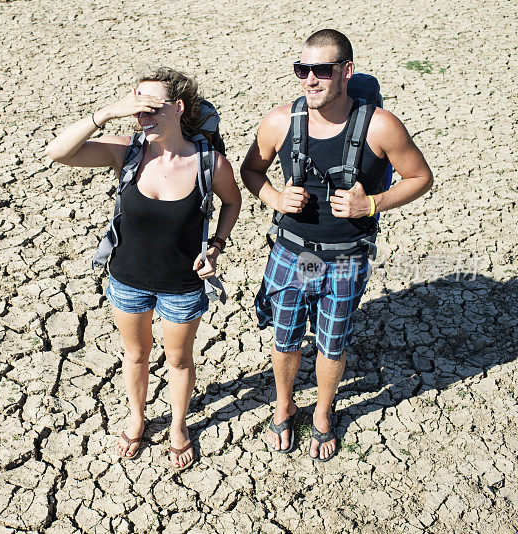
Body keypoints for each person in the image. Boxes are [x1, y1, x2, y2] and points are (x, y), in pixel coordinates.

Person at [240, 29, 432, 461]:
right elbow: (251, 171)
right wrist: (274, 197)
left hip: (345, 259)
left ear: (345, 71)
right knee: (286, 338)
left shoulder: (380, 126)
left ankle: (324, 413)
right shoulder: (279, 122)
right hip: (293, 254)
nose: (309, 79)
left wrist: (372, 204)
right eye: (301, 69)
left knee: (332, 341)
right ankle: (285, 403)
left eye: (321, 70)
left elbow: (421, 178)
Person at [46, 68, 241, 470]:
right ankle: (137, 418)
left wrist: (216, 246)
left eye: (150, 106)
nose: (141, 116)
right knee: (135, 356)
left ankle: (178, 426)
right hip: (128, 280)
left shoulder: (210, 163)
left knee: (180, 361)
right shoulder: (126, 151)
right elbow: (58, 153)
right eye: (136, 107)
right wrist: (106, 113)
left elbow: (232, 202)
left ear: (179, 107)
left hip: (183, 284)